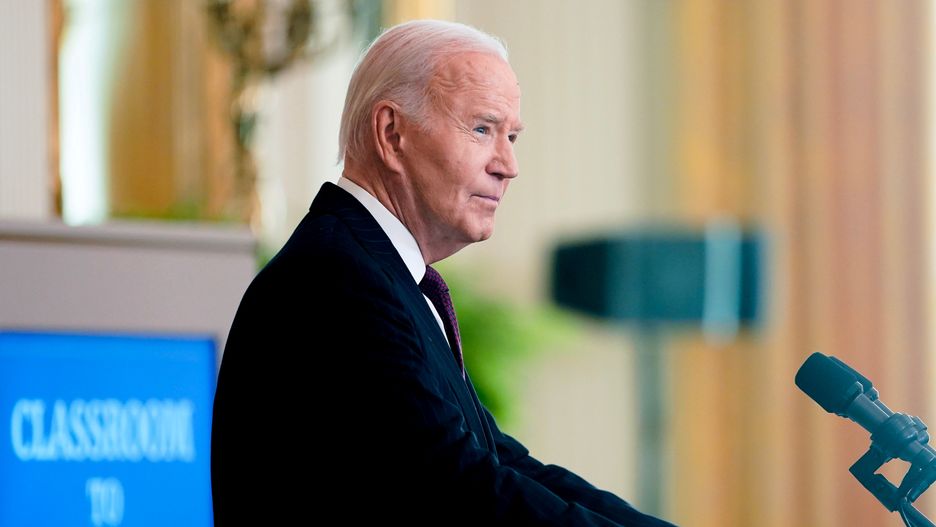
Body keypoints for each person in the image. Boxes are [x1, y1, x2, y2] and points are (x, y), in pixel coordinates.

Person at [211, 19, 677, 526]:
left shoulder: (378, 272)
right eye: (483, 129)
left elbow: (500, 460)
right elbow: (459, 488)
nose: (509, 164)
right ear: (392, 134)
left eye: (512, 136)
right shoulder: (336, 279)